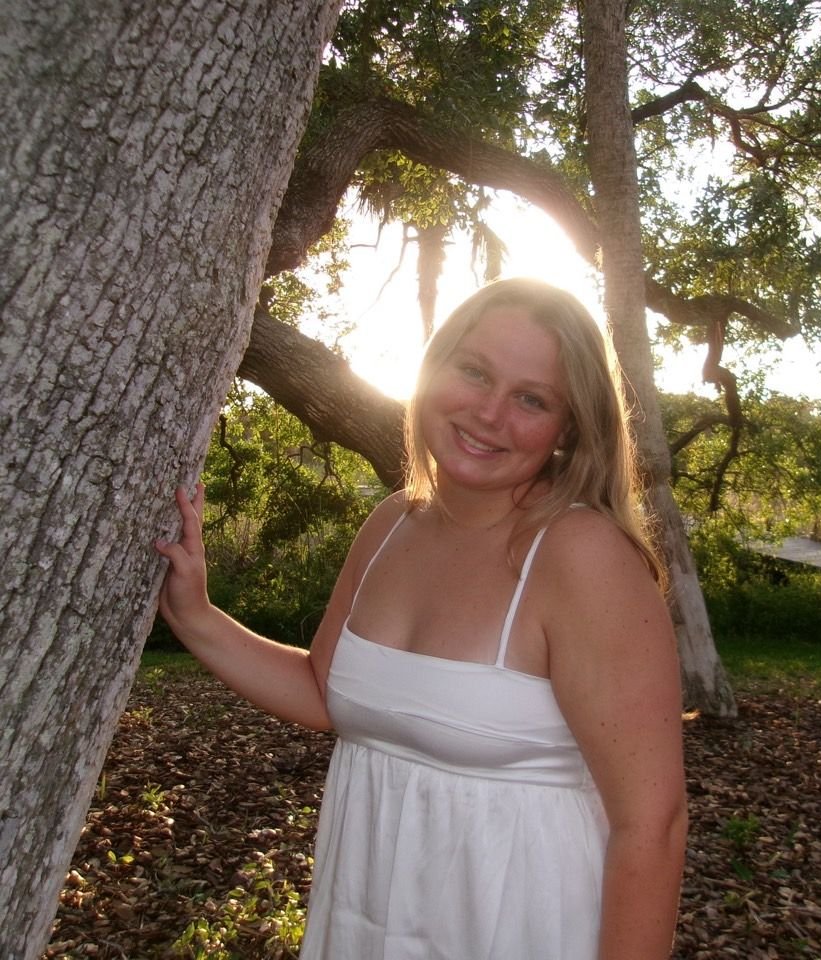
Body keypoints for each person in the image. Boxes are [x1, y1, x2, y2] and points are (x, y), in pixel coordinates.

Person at [155, 277, 687, 960]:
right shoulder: (391, 523)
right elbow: (326, 691)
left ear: (569, 426)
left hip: (518, 925)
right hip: (371, 915)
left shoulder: (581, 555)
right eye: (473, 371)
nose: (489, 413)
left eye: (531, 399)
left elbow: (652, 824)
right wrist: (195, 615)